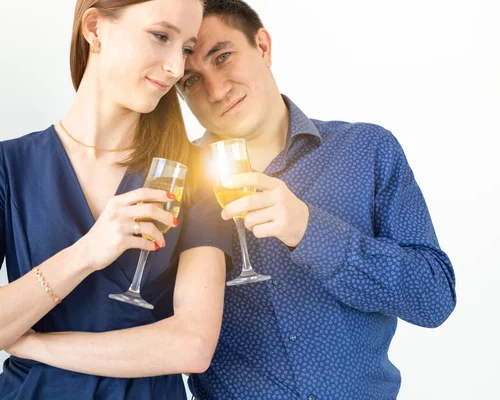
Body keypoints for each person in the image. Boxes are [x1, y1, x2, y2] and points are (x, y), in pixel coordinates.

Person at [0, 0, 231, 399]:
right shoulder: (7, 165)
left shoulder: (195, 175)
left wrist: (31, 343)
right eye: (160, 37)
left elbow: (191, 346)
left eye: (185, 48)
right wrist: (86, 253)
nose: (176, 66)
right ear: (94, 27)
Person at [176, 0, 457, 398]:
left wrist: (310, 230)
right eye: (190, 81)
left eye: (222, 57)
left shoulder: (368, 150)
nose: (217, 91)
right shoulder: (176, 185)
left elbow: (433, 300)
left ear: (263, 46)